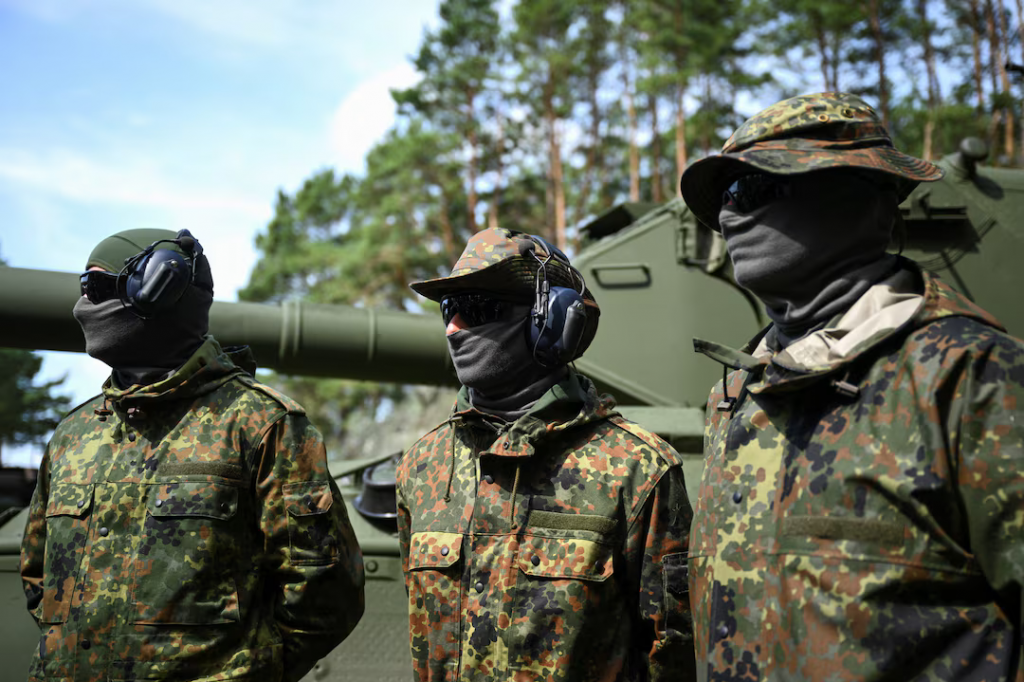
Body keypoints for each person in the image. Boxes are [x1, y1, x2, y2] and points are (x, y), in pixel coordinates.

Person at [679, 91, 1024, 681]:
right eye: (724, 199)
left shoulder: (974, 377)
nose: (729, 215)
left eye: (755, 188)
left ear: (858, 194)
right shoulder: (738, 392)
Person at [20, 228, 365, 682]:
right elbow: (38, 580)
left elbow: (327, 597)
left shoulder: (260, 424)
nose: (81, 306)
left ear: (162, 288)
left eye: (97, 289)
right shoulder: (73, 434)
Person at [397, 227, 696, 682]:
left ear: (550, 319)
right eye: (448, 309)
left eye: (477, 308)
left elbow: (673, 654)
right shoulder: (423, 467)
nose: (454, 327)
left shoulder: (637, 470)